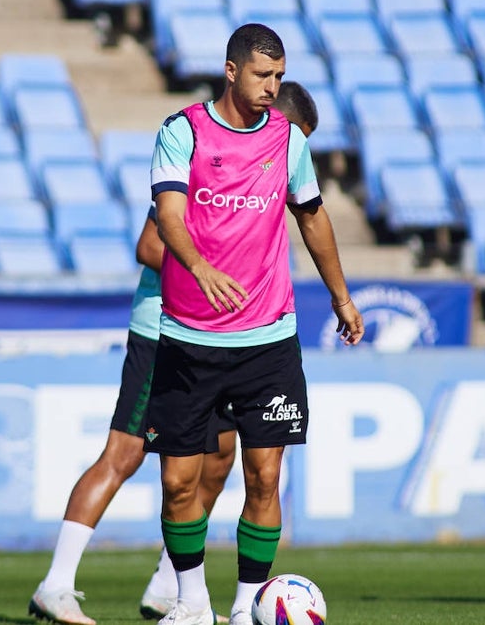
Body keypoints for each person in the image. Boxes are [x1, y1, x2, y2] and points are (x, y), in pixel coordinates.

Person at [27, 79, 322, 625]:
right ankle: (56, 583)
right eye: (294, 137)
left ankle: (172, 589)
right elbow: (149, 244)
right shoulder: (199, 154)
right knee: (127, 454)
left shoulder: (268, 164)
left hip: (237, 333)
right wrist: (216, 274)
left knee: (221, 461)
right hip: (166, 331)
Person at [146, 23, 363, 625]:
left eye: (280, 76)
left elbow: (313, 219)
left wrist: (342, 298)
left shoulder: (289, 142)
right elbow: (167, 213)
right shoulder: (182, 132)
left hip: (268, 339)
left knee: (265, 476)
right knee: (179, 484)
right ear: (233, 70)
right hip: (189, 338)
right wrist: (197, 266)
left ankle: (245, 610)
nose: (273, 86)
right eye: (263, 75)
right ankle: (192, 603)